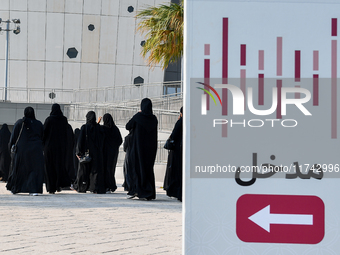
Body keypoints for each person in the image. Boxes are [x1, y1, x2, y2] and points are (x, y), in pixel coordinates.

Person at [6, 107, 44, 195]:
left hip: (22, 150)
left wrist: (10, 149)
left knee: (20, 169)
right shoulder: (38, 124)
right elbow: (43, 136)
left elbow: (13, 137)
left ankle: (17, 188)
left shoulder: (20, 123)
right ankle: (33, 189)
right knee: (34, 170)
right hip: (36, 150)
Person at [125, 98, 158, 200]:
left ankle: (140, 191)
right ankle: (150, 193)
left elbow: (127, 126)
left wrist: (137, 114)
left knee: (138, 169)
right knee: (148, 170)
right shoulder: (154, 119)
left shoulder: (138, 117)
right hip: (151, 149)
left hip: (138, 149)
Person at [43, 103, 73, 194]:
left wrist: (43, 145)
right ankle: (58, 185)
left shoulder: (49, 119)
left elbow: (44, 133)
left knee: (50, 167)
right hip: (61, 148)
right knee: (59, 167)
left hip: (50, 148)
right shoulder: (64, 120)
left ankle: (51, 188)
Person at [74, 111, 105, 194]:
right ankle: (94, 187)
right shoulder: (99, 128)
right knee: (95, 171)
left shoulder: (85, 127)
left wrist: (78, 152)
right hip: (97, 152)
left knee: (83, 171)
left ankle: (82, 187)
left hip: (86, 152)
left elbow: (80, 141)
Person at [163, 107, 183, 201]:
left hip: (178, 149)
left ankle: (176, 192)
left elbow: (174, 134)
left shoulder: (180, 121)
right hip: (187, 150)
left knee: (176, 171)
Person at [102, 113, 122, 193]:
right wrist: (114, 146)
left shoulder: (103, 129)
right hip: (113, 153)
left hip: (105, 152)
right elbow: (120, 140)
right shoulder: (115, 129)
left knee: (104, 168)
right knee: (111, 169)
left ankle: (106, 186)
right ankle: (111, 185)